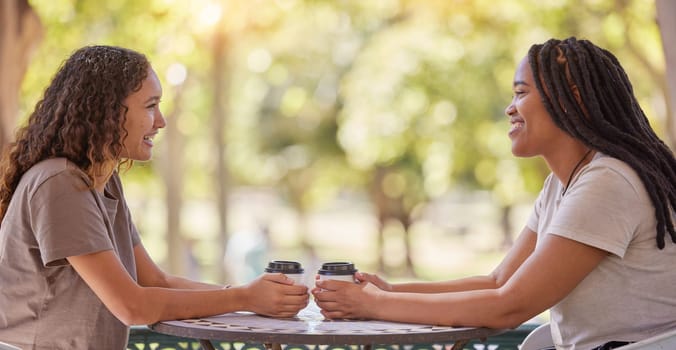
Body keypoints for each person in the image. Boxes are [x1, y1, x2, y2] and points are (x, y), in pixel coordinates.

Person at [312, 37, 676, 350]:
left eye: (521, 93)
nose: (510, 108)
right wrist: (388, 292)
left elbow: (510, 306)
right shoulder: (564, 184)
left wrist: (372, 306)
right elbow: (498, 282)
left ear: (571, 99)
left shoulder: (608, 181)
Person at [0, 45, 309, 349]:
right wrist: (243, 298)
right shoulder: (59, 183)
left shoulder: (104, 181)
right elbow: (132, 305)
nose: (161, 121)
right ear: (107, 111)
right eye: (150, 106)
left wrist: (250, 294)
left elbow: (153, 280)